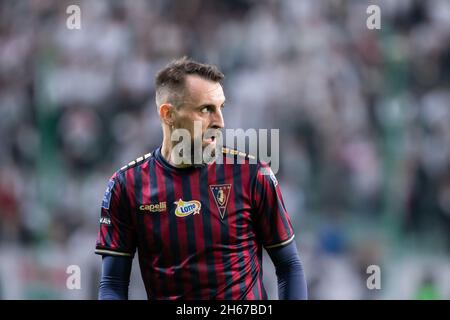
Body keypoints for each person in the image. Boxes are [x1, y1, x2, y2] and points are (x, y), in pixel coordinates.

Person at [95, 57, 307, 300]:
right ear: (168, 114)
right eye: (205, 109)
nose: (219, 122)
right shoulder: (126, 186)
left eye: (221, 108)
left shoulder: (253, 174)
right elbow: (112, 283)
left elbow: (289, 265)